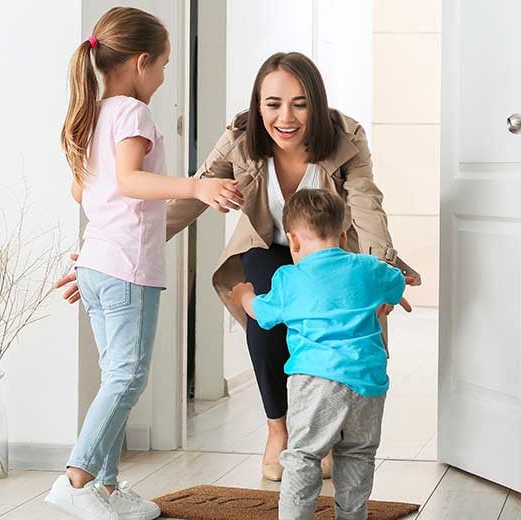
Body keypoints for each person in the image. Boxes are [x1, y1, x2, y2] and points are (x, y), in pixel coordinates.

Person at [56, 51, 419, 482]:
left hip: (329, 249)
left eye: (300, 104)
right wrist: (108, 257)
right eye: (273, 104)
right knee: (264, 312)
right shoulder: (240, 139)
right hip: (266, 243)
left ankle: (323, 432)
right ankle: (278, 429)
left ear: (317, 105)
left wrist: (381, 270)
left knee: (332, 331)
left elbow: (366, 203)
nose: (286, 117)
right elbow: (190, 199)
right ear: (257, 104)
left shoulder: (346, 138)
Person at [44, 7, 242, 520]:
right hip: (127, 268)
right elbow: (130, 181)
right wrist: (197, 185)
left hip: (97, 264)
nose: (162, 78)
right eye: (163, 67)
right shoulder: (132, 113)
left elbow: (81, 188)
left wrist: (96, 251)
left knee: (116, 375)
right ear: (140, 61)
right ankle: (77, 478)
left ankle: (105, 488)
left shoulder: (90, 113)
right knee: (128, 378)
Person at [230, 188, 407, 520]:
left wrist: (243, 294)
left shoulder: (289, 277)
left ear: (293, 242)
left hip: (316, 381)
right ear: (342, 235)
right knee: (357, 456)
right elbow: (396, 282)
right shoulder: (368, 268)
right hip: (368, 383)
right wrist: (389, 294)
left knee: (303, 457)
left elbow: (264, 315)